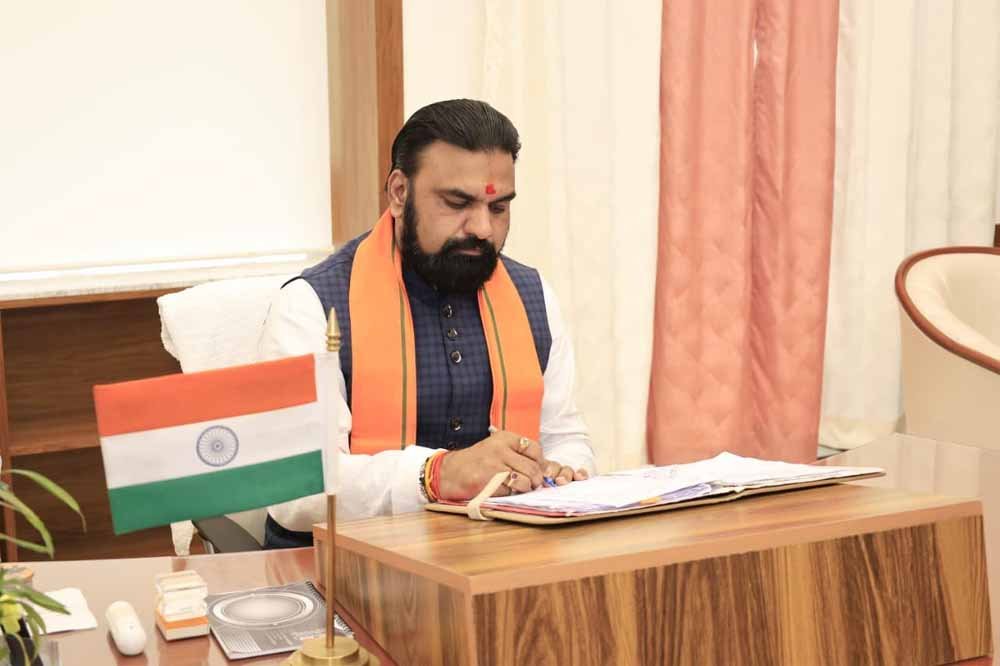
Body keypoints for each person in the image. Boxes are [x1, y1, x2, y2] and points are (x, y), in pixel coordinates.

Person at [258, 99, 595, 548]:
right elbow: (294, 493)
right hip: (344, 572)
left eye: (498, 208)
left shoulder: (534, 296)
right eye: (458, 203)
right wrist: (436, 476)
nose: (483, 228)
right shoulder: (312, 307)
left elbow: (564, 437)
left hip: (501, 561)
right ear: (399, 192)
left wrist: (562, 471)